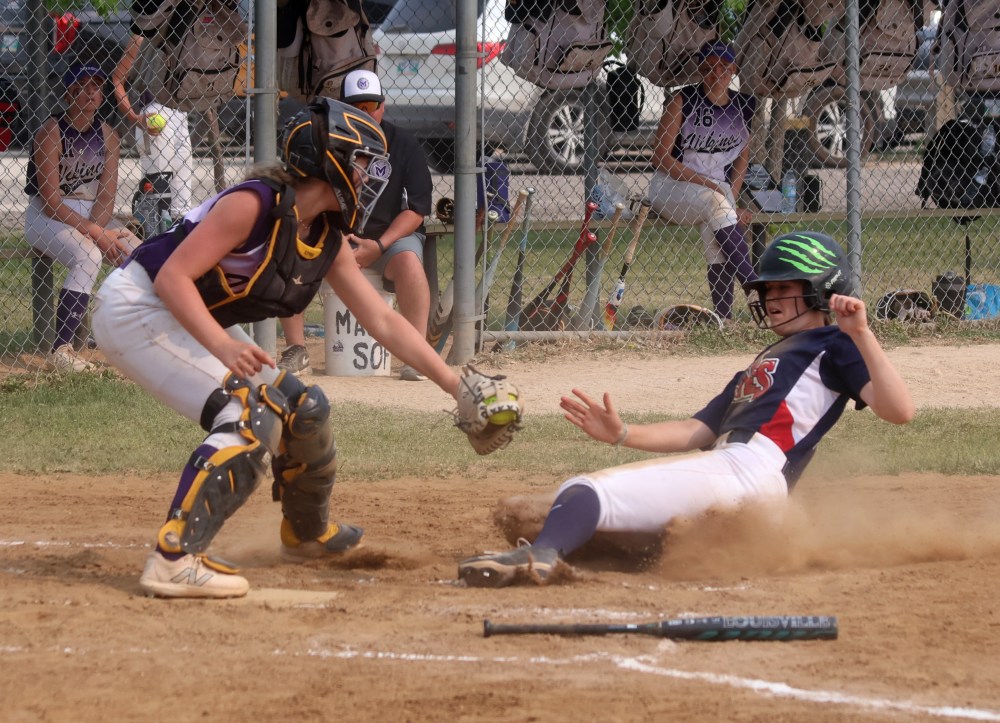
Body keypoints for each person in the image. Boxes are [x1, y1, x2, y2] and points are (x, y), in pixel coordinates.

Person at [92, 98, 467, 599]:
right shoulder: (253, 204)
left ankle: (304, 534)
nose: (366, 176)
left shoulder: (326, 236)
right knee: (248, 412)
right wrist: (224, 346)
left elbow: (382, 320)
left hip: (189, 316)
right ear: (327, 156)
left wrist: (455, 384)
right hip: (137, 306)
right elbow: (174, 277)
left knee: (302, 408)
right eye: (358, 162)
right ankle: (173, 559)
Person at [458, 232, 915, 588]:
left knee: (581, 491)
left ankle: (540, 556)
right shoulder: (764, 363)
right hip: (738, 481)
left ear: (819, 291)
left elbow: (899, 411)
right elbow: (696, 429)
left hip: (747, 471)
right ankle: (563, 551)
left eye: (783, 288)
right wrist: (622, 434)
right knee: (619, 538)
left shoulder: (834, 343)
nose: (769, 299)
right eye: (766, 290)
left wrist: (861, 332)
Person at [278, 69, 434, 381]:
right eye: (356, 108)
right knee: (291, 248)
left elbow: (417, 210)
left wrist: (379, 246)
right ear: (341, 109)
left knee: (410, 263)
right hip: (331, 236)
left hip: (385, 239)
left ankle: (417, 353)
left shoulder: (402, 144)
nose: (366, 114)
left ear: (383, 106)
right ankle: (297, 349)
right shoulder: (323, 143)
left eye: (371, 106)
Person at [24, 62, 140, 373]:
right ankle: (61, 350)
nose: (90, 92)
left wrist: (99, 229)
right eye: (83, 86)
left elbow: (106, 196)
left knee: (137, 253)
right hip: (46, 217)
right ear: (68, 93)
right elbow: (50, 201)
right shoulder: (51, 131)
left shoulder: (108, 135)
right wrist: (95, 234)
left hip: (92, 216)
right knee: (88, 255)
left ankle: (131, 335)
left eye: (96, 86)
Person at [647, 40, 757, 321]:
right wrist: (712, 188)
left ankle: (724, 318)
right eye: (708, 66)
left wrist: (730, 196)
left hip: (716, 194)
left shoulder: (744, 105)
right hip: (671, 188)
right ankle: (754, 285)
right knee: (715, 204)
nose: (715, 71)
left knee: (717, 231)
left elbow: (743, 156)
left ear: (733, 69)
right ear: (700, 69)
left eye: (723, 66)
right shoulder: (683, 100)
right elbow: (660, 158)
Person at [110, 33, 195, 221]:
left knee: (182, 203)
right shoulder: (141, 38)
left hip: (180, 115)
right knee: (159, 195)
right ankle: (152, 237)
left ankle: (175, 242)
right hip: (154, 114)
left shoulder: (187, 34)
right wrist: (134, 117)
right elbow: (117, 79)